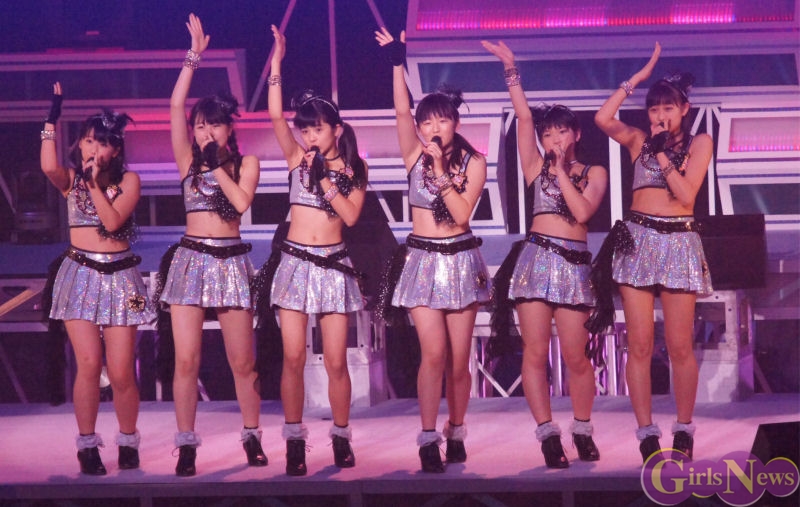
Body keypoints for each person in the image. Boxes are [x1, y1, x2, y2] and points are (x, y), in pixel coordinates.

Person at [481, 41, 608, 469]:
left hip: (574, 264)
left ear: (576, 135)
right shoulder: (535, 167)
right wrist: (511, 69)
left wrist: (561, 173)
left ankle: (583, 430)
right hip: (536, 260)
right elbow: (523, 117)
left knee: (576, 356)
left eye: (561, 132)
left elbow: (583, 212)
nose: (553, 139)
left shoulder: (593, 172)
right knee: (534, 353)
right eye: (548, 133)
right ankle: (548, 436)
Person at [252, 25, 368, 477]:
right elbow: (274, 115)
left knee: (336, 360)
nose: (309, 136)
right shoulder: (293, 158)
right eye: (305, 129)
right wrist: (277, 60)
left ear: (336, 130)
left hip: (335, 266)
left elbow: (352, 217)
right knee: (294, 358)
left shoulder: (354, 168)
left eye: (317, 128)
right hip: (296, 263)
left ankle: (340, 437)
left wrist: (323, 177)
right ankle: (295, 442)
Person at [375, 28, 490, 474]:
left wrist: (442, 170)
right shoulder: (412, 156)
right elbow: (400, 109)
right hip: (422, 260)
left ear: (455, 123)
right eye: (427, 123)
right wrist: (396, 64)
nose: (433, 129)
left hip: (460, 258)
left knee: (460, 361)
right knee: (434, 354)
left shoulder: (474, 162)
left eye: (441, 121)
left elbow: (460, 214)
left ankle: (456, 430)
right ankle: (427, 438)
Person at [154, 13, 264, 477]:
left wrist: (217, 163)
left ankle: (253, 438)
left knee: (243, 362)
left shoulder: (246, 163)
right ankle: (186, 445)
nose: (204, 133)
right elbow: (175, 103)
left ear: (228, 129)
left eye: (213, 126)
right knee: (186, 360)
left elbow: (239, 204)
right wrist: (192, 58)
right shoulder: (186, 161)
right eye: (200, 126)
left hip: (231, 261)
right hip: (190, 259)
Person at [593, 42, 713, 463]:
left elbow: (686, 195)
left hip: (679, 241)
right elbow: (602, 118)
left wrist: (661, 152)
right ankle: (646, 434)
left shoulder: (700, 142)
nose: (660, 115)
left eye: (668, 108)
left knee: (680, 346)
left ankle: (683, 430)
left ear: (684, 109)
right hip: (638, 240)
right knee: (639, 345)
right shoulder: (637, 140)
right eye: (654, 108)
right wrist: (636, 80)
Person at [40, 82, 154, 475]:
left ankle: (128, 441)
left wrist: (93, 184)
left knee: (121, 370)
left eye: (102, 142)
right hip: (78, 276)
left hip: (124, 280)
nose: (93, 148)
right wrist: (52, 117)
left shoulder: (130, 181)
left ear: (116, 150)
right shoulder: (70, 180)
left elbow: (112, 221)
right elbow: (48, 166)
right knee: (88, 365)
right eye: (89, 140)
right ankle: (87, 446)